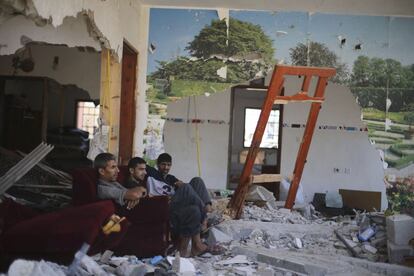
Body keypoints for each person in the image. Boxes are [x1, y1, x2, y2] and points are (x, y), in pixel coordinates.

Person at [145, 153, 217, 257]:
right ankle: (204, 217)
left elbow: (181, 186)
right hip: (165, 204)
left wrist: (180, 185)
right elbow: (137, 164)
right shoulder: (152, 173)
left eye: (169, 165)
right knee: (186, 187)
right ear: (157, 164)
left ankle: (205, 210)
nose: (166, 167)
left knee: (197, 180)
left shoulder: (170, 178)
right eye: (163, 164)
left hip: (177, 203)